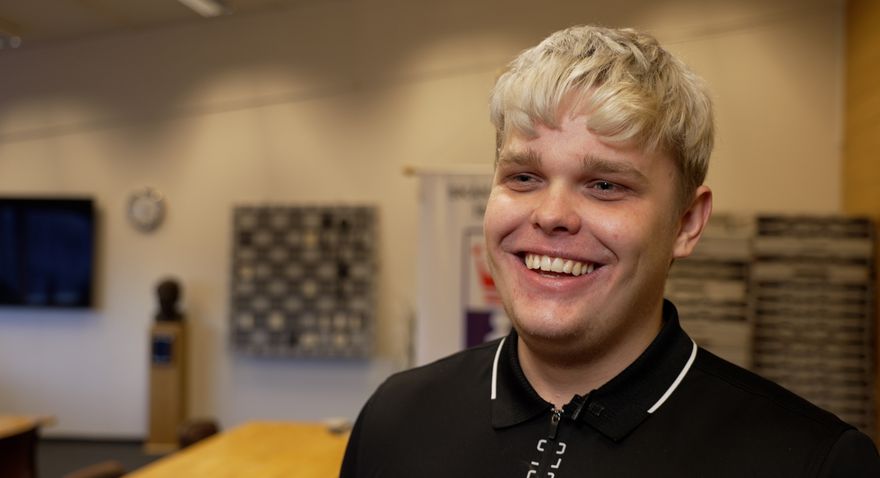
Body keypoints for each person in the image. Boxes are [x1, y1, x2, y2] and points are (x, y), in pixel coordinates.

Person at [340, 25, 880, 477]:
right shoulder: (396, 419)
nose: (551, 214)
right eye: (523, 176)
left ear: (687, 223)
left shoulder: (813, 464)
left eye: (605, 185)